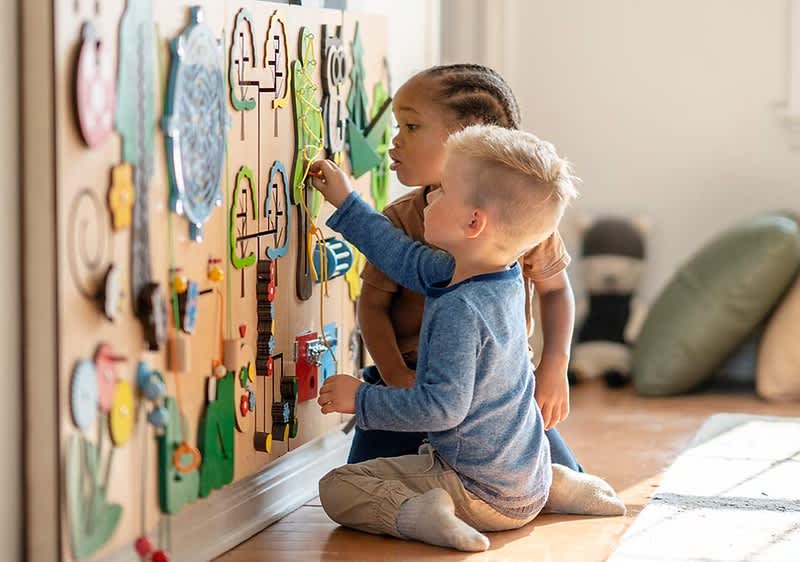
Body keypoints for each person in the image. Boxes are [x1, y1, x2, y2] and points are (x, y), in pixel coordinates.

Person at [309, 125, 625, 552]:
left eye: (441, 190)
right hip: (523, 473)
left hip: (477, 490)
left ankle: (425, 514)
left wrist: (360, 398)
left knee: (337, 488)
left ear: (472, 222)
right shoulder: (502, 274)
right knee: (507, 476)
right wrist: (347, 203)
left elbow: (440, 409)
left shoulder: (461, 308)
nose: (431, 197)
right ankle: (555, 487)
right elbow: (400, 256)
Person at [351, 64, 580, 469]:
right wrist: (396, 379)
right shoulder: (401, 219)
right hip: (414, 390)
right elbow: (372, 306)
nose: (394, 140)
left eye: (411, 126)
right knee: (364, 485)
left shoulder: (522, 219)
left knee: (558, 478)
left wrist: (554, 366)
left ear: (467, 134)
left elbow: (556, 289)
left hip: (501, 392)